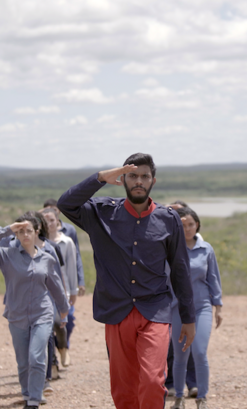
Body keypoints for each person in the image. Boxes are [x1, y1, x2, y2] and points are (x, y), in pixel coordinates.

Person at [58, 152, 196, 409]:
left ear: (153, 180)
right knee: (124, 388)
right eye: (132, 175)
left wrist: (188, 318)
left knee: (154, 381)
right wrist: (99, 177)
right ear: (123, 179)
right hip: (117, 310)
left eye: (145, 176)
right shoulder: (102, 213)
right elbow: (66, 204)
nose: (139, 181)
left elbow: (180, 270)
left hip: (154, 310)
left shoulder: (168, 219)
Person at [0, 215, 69, 409]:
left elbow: (56, 286)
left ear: (36, 231)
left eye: (29, 230)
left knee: (36, 356)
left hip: (42, 314)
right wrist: (7, 228)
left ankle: (34, 400)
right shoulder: (7, 256)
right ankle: (28, 394)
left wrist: (63, 310)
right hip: (17, 315)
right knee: (23, 362)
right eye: (21, 231)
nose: (25, 234)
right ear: (16, 234)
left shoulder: (47, 258)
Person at [169, 207, 223, 409]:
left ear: (197, 225)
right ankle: (179, 398)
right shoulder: (172, 249)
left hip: (202, 308)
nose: (187, 229)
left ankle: (202, 398)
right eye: (182, 226)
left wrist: (218, 306)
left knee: (199, 352)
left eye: (191, 224)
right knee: (180, 354)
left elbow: (213, 279)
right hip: (177, 309)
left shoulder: (206, 249)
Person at [165, 201, 199, 398]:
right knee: (168, 344)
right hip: (166, 301)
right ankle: (169, 383)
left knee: (189, 343)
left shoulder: (196, 243)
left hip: (187, 302)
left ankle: (192, 383)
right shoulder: (163, 240)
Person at [41, 206, 78, 368]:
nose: (49, 224)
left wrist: (73, 290)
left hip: (63, 290)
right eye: (45, 221)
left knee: (63, 322)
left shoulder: (66, 242)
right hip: (44, 292)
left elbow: (71, 267)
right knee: (48, 326)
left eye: (52, 220)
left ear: (58, 222)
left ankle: (63, 347)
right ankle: (53, 363)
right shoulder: (37, 243)